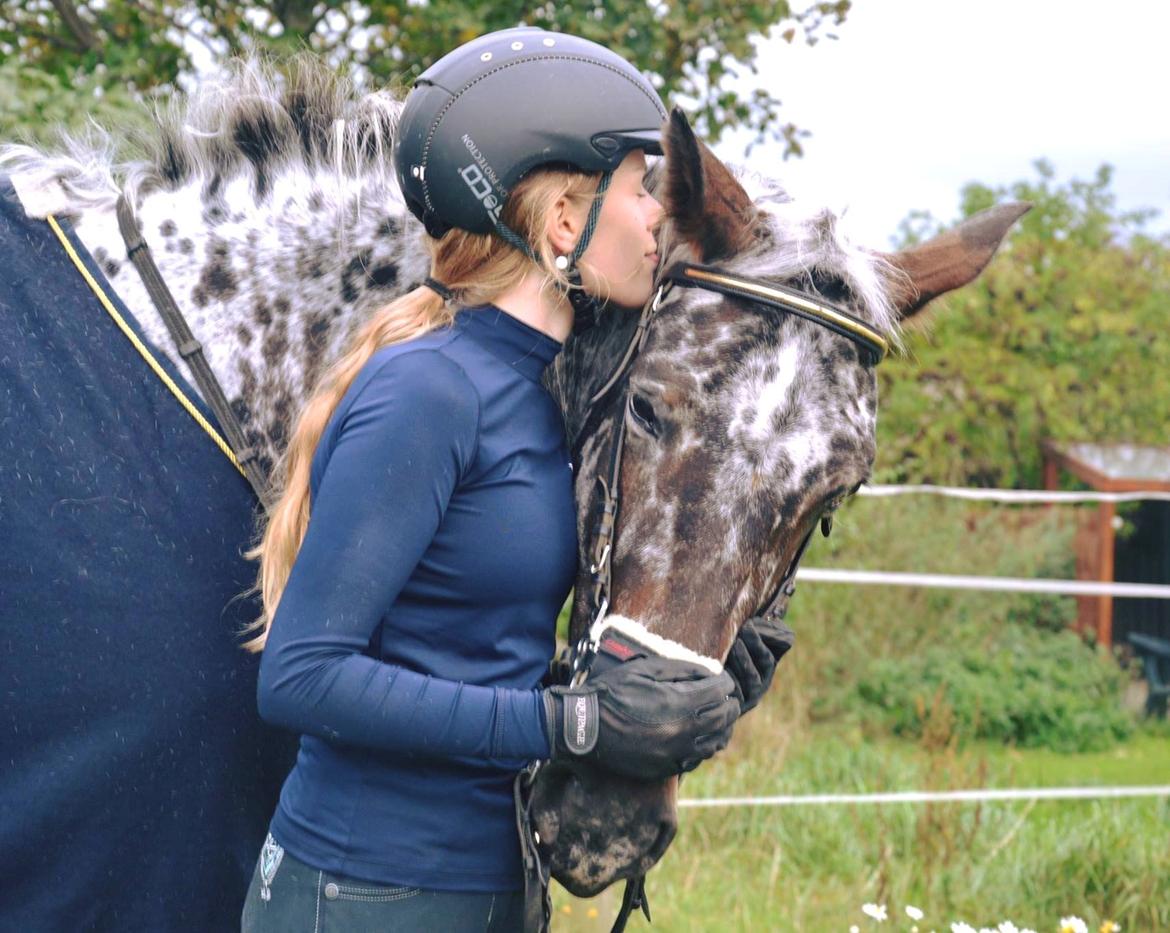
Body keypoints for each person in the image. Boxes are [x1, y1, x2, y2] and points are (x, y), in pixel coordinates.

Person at [239, 27, 789, 932]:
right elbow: (302, 677)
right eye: (640, 188)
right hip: (364, 890)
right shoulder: (430, 391)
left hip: (497, 880)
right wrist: (567, 724)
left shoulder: (552, 397)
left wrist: (703, 682)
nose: (659, 216)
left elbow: (488, 647)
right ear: (564, 221)